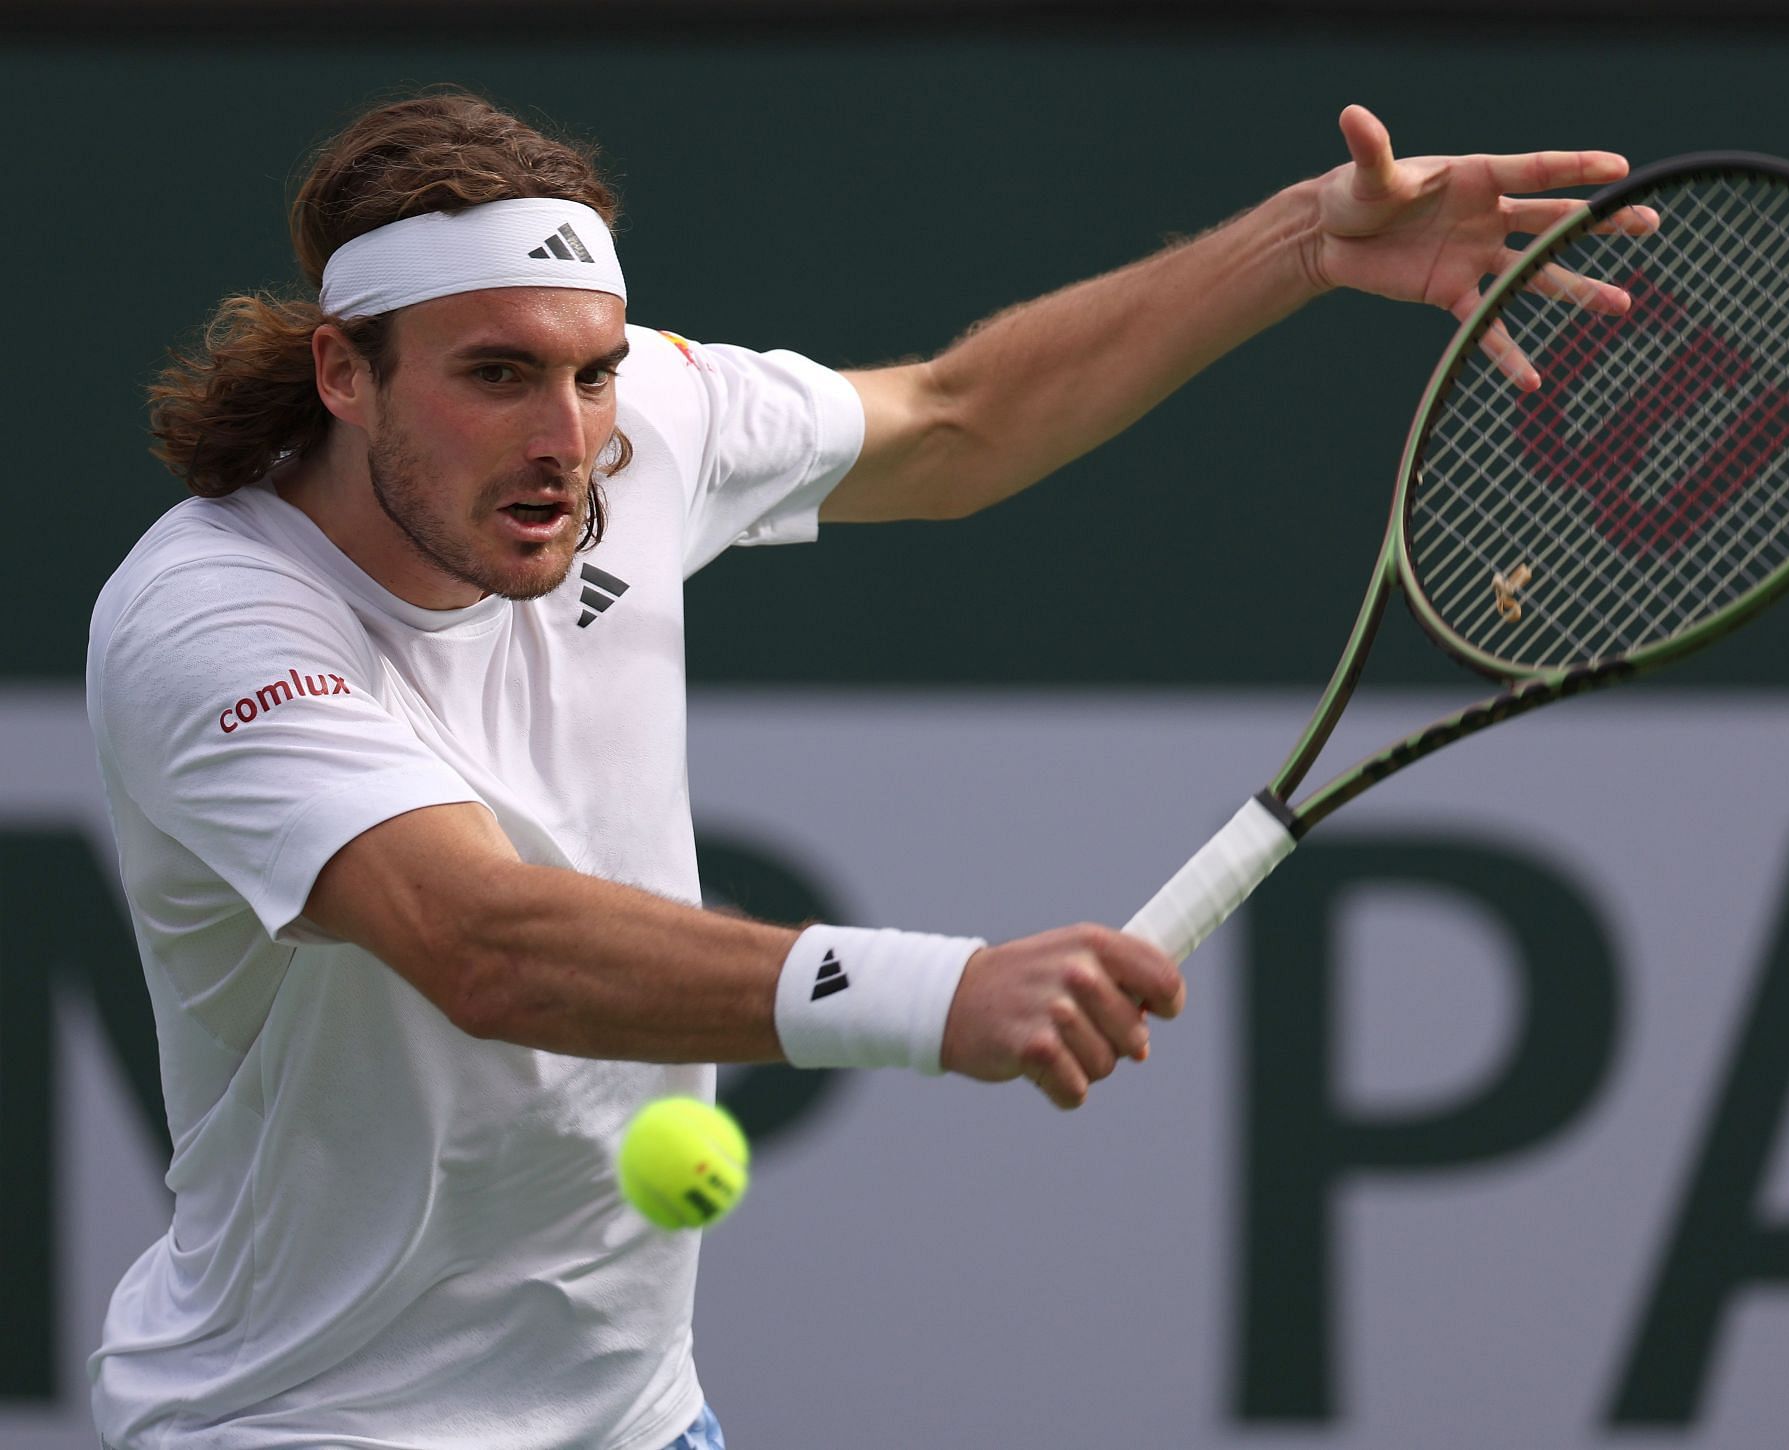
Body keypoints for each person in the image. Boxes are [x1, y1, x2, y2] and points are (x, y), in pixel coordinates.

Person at [86, 88, 1634, 1449]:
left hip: (636, 1416)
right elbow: (483, 944)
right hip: (307, 1422)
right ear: (345, 374)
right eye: (495, 374)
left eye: (595, 370)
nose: (568, 436)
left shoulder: (626, 445)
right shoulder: (212, 622)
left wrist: (1303, 240)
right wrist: (935, 992)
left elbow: (961, 420)